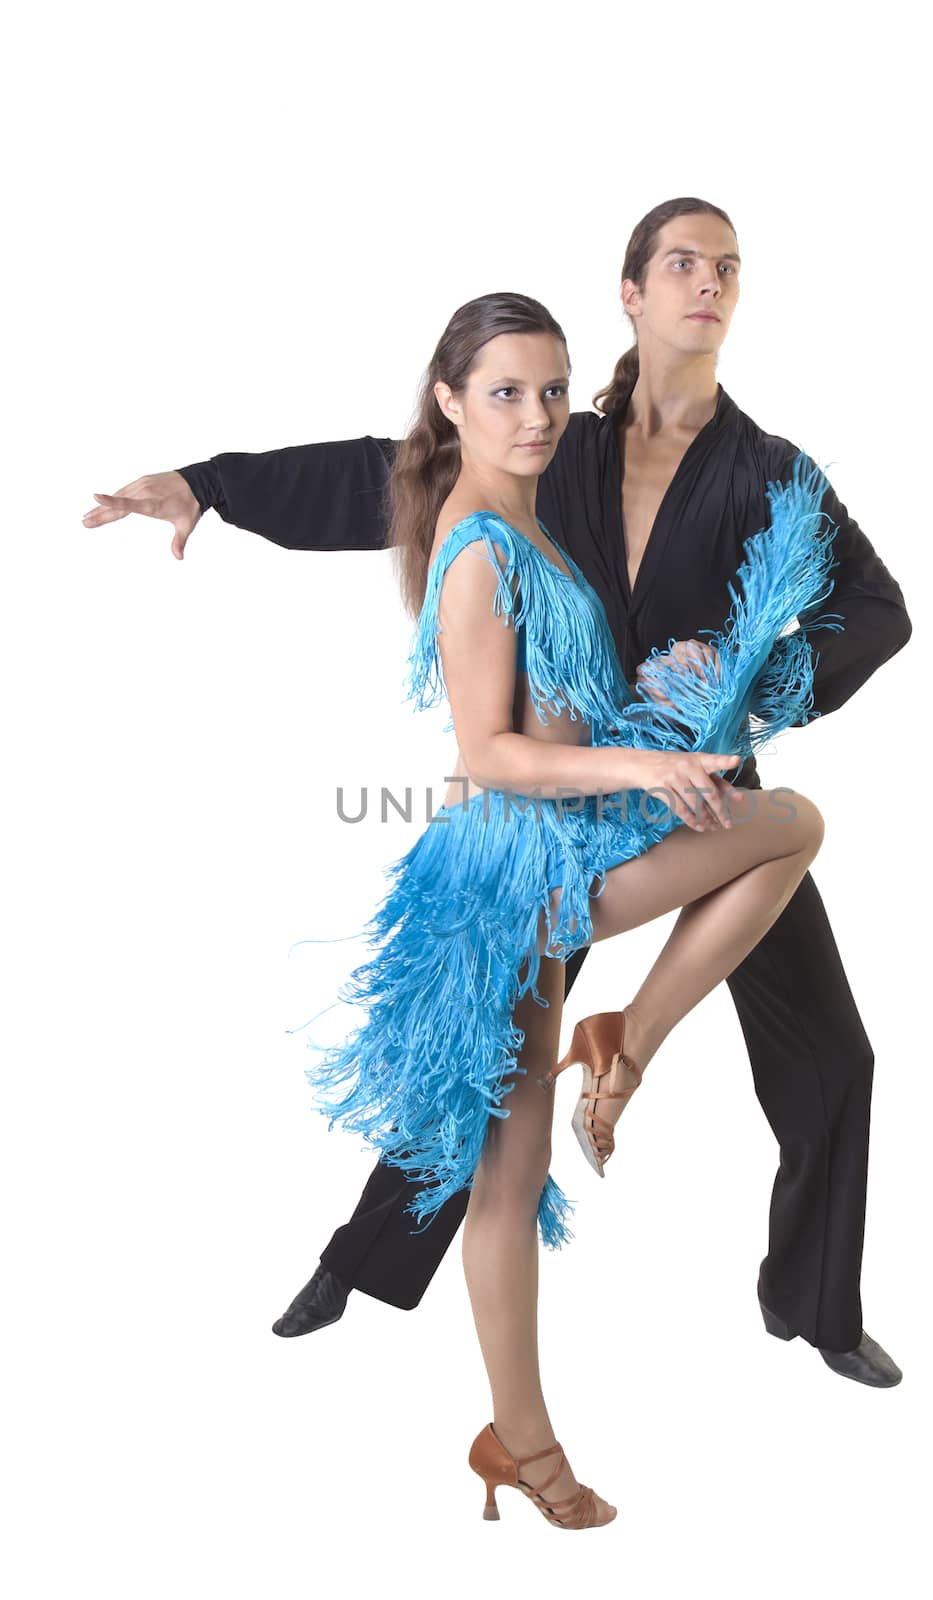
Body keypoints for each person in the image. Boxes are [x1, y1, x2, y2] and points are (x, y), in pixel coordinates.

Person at [82, 197, 911, 1386]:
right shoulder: (553, 439)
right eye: (680, 263)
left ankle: (818, 1304)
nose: (706, 284)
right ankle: (363, 1260)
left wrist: (751, 680)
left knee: (831, 1050)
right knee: (473, 1053)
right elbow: (392, 473)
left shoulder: (773, 475)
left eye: (727, 267)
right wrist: (212, 484)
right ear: (630, 291)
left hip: (697, 787)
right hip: (556, 804)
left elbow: (879, 611)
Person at [293, 288, 829, 1526]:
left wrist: (659, 690)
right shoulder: (480, 540)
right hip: (512, 878)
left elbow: (553, 708)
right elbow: (487, 750)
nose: (535, 417)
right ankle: (524, 1440)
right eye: (502, 394)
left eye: (548, 389)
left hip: (556, 847)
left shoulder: (519, 519)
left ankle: (619, 1046)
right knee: (783, 824)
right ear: (448, 403)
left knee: (514, 1165)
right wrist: (647, 765)